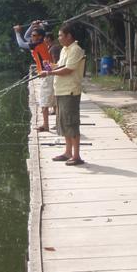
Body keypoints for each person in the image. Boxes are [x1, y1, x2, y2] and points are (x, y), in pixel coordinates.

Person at [40, 23, 86, 165]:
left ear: (69, 36)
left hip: (70, 91)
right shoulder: (65, 50)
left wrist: (49, 72)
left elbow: (68, 69)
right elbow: (59, 66)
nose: (59, 38)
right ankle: (68, 152)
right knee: (63, 123)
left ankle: (76, 156)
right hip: (60, 91)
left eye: (60, 35)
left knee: (71, 123)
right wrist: (48, 65)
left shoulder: (76, 50)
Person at [13, 22, 54, 131]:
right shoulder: (36, 42)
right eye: (32, 35)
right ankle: (49, 124)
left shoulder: (38, 44)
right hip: (47, 73)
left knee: (44, 100)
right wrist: (31, 26)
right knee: (50, 99)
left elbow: (21, 43)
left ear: (40, 37)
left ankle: (46, 125)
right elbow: (26, 37)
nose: (31, 37)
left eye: (34, 35)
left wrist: (17, 33)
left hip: (47, 74)